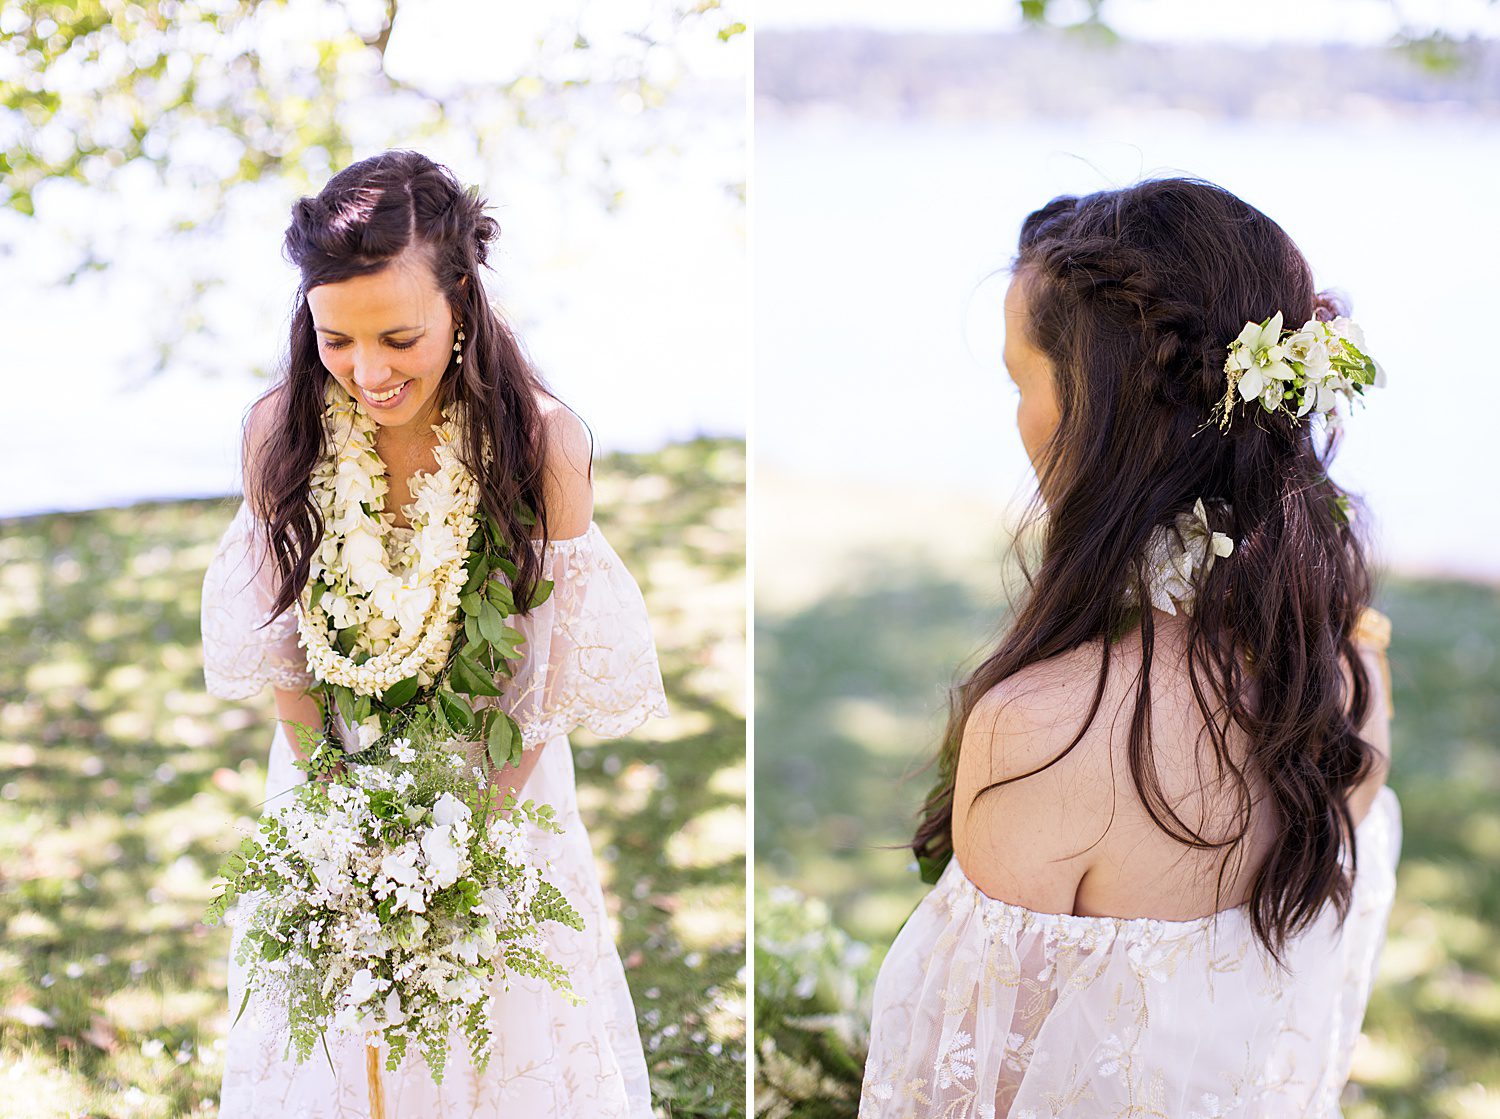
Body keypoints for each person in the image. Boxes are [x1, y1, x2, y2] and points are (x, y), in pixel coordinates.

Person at [858, 178, 1400, 1117]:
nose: (1015, 419)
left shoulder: (1043, 733)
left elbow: (957, 1095)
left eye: (1019, 381)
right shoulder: (1348, 675)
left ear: (1099, 411)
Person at [200, 149, 668, 1117]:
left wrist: (462, 840)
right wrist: (338, 810)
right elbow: (284, 638)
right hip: (329, 763)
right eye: (337, 341)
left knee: (492, 1016)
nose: (368, 372)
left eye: (399, 338)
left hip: (498, 774)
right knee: (334, 1029)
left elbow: (544, 673)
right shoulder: (278, 432)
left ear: (461, 296)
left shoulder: (540, 442)